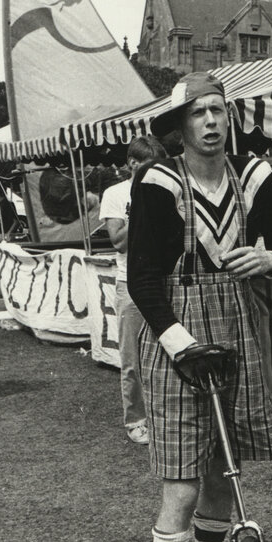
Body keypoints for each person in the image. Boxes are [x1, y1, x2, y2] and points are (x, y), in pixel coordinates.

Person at [127, 72, 272, 542]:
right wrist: (181, 346)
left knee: (223, 471)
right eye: (199, 113)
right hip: (176, 331)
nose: (211, 122)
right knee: (181, 480)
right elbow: (143, 279)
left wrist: (270, 260)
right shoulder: (158, 180)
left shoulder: (253, 175)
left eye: (218, 111)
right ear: (179, 126)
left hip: (234, 325)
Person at [99, 136, 167, 445]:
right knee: (133, 358)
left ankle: (168, 415)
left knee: (171, 352)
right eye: (151, 167)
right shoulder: (115, 193)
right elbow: (118, 242)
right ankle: (136, 420)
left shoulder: (167, 187)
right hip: (131, 284)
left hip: (166, 280)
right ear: (132, 164)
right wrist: (140, 204)